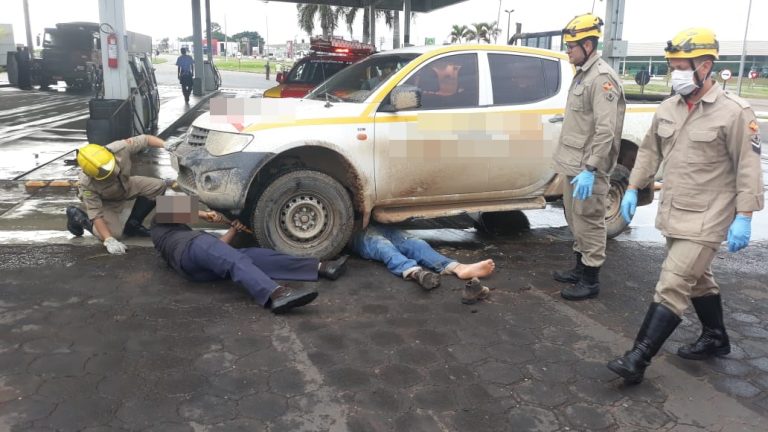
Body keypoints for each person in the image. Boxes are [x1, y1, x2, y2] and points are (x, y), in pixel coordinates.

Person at [607, 28, 764, 384]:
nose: (674, 74)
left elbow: (748, 167)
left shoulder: (735, 112)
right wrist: (632, 188)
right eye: (672, 67)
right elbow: (649, 152)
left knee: (673, 282)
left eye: (682, 67)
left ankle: (638, 358)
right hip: (675, 212)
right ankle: (716, 337)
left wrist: (745, 216)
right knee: (697, 279)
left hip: (710, 217)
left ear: (706, 66)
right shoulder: (668, 108)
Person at [151, 195, 348, 314]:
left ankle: (320, 266)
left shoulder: (183, 234)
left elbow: (219, 250)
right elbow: (164, 207)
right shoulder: (159, 225)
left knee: (248, 256)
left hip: (197, 269)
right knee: (232, 257)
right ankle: (276, 294)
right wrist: (205, 214)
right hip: (189, 252)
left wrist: (233, 230)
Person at [551, 13, 626, 301]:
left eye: (571, 45)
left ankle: (591, 279)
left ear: (588, 44)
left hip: (589, 168)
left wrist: (592, 168)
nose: (567, 50)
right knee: (575, 218)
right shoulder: (584, 73)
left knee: (590, 220)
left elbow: (606, 131)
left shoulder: (602, 77)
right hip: (574, 164)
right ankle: (579, 269)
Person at [65, 135, 177, 254]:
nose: (112, 173)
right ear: (92, 175)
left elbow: (145, 139)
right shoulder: (86, 183)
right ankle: (77, 216)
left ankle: (133, 225)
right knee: (114, 234)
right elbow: (96, 214)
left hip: (126, 185)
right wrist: (108, 240)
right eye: (105, 174)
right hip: (106, 201)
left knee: (158, 186)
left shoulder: (119, 148)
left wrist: (166, 144)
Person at [349, 224, 495, 291]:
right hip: (352, 232)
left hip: (375, 224)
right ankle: (415, 273)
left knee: (414, 242)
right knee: (383, 246)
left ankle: (458, 267)